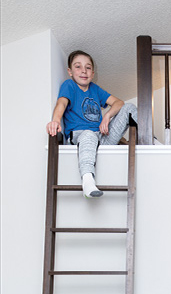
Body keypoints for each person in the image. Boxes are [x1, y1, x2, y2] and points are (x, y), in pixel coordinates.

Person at [46, 50, 138, 198]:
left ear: (93, 73)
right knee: (88, 134)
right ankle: (88, 180)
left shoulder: (95, 89)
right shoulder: (69, 85)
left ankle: (150, 138)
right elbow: (61, 103)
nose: (84, 71)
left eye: (88, 67)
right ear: (69, 71)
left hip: (102, 137)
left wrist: (107, 115)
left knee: (129, 108)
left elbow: (118, 102)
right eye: (78, 67)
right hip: (80, 137)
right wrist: (56, 120)